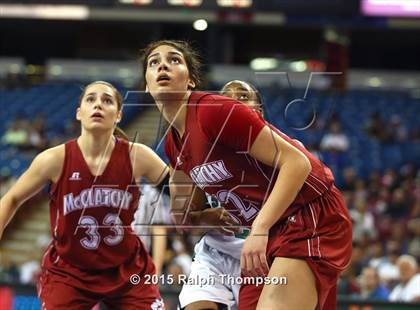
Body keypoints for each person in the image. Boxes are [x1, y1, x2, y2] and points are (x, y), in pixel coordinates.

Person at [141, 40, 352, 310]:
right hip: (266, 230)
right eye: (154, 62)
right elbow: (184, 216)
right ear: (146, 85)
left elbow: (298, 164)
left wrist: (260, 228)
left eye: (174, 60)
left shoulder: (212, 111)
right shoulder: (173, 143)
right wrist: (203, 215)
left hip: (307, 214)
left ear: (191, 80)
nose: (163, 66)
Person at [0, 81, 168, 309]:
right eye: (91, 99)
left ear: (118, 115)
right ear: (79, 112)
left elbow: (179, 190)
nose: (98, 104)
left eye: (107, 100)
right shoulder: (54, 159)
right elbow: (12, 199)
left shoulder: (138, 155)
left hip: (126, 270)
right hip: (70, 272)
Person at [178, 80, 263, 310]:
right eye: (226, 98)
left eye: (243, 97)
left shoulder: (276, 151)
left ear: (259, 111)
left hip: (262, 256)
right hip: (215, 253)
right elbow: (189, 217)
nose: (234, 102)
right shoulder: (202, 153)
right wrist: (207, 217)